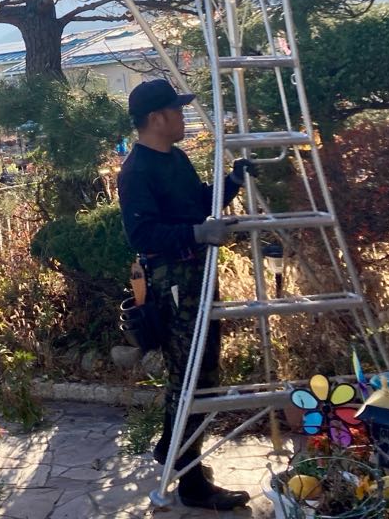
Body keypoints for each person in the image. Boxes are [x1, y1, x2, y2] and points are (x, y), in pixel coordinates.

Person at [117, 78, 256, 512]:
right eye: (176, 111)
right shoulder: (136, 170)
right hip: (173, 283)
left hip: (198, 276)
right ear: (156, 118)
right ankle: (191, 482)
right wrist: (197, 234)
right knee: (193, 376)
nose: (183, 117)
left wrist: (231, 182)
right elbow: (141, 234)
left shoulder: (175, 158)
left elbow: (198, 204)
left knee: (201, 371)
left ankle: (173, 449)